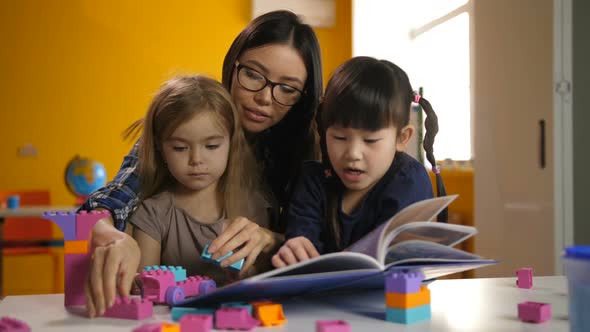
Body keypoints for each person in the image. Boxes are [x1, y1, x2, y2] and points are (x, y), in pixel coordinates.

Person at [82, 10, 323, 318]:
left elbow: (318, 244)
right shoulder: (185, 120)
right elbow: (112, 198)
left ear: (302, 97)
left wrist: (271, 239)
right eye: (253, 74)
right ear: (233, 64)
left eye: (287, 88)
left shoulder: (304, 150)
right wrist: (114, 236)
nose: (264, 97)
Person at [271, 57, 445, 267]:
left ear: (402, 138)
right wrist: (296, 247)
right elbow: (303, 248)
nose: (353, 153)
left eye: (370, 140)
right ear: (323, 131)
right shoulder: (312, 181)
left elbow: (394, 265)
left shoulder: (409, 180)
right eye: (339, 138)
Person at [124, 75, 270, 288]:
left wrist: (246, 274)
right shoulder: (152, 213)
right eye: (180, 148)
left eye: (211, 146)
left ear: (232, 143)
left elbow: (265, 278)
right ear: (160, 147)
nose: (196, 160)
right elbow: (145, 289)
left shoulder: (254, 206)